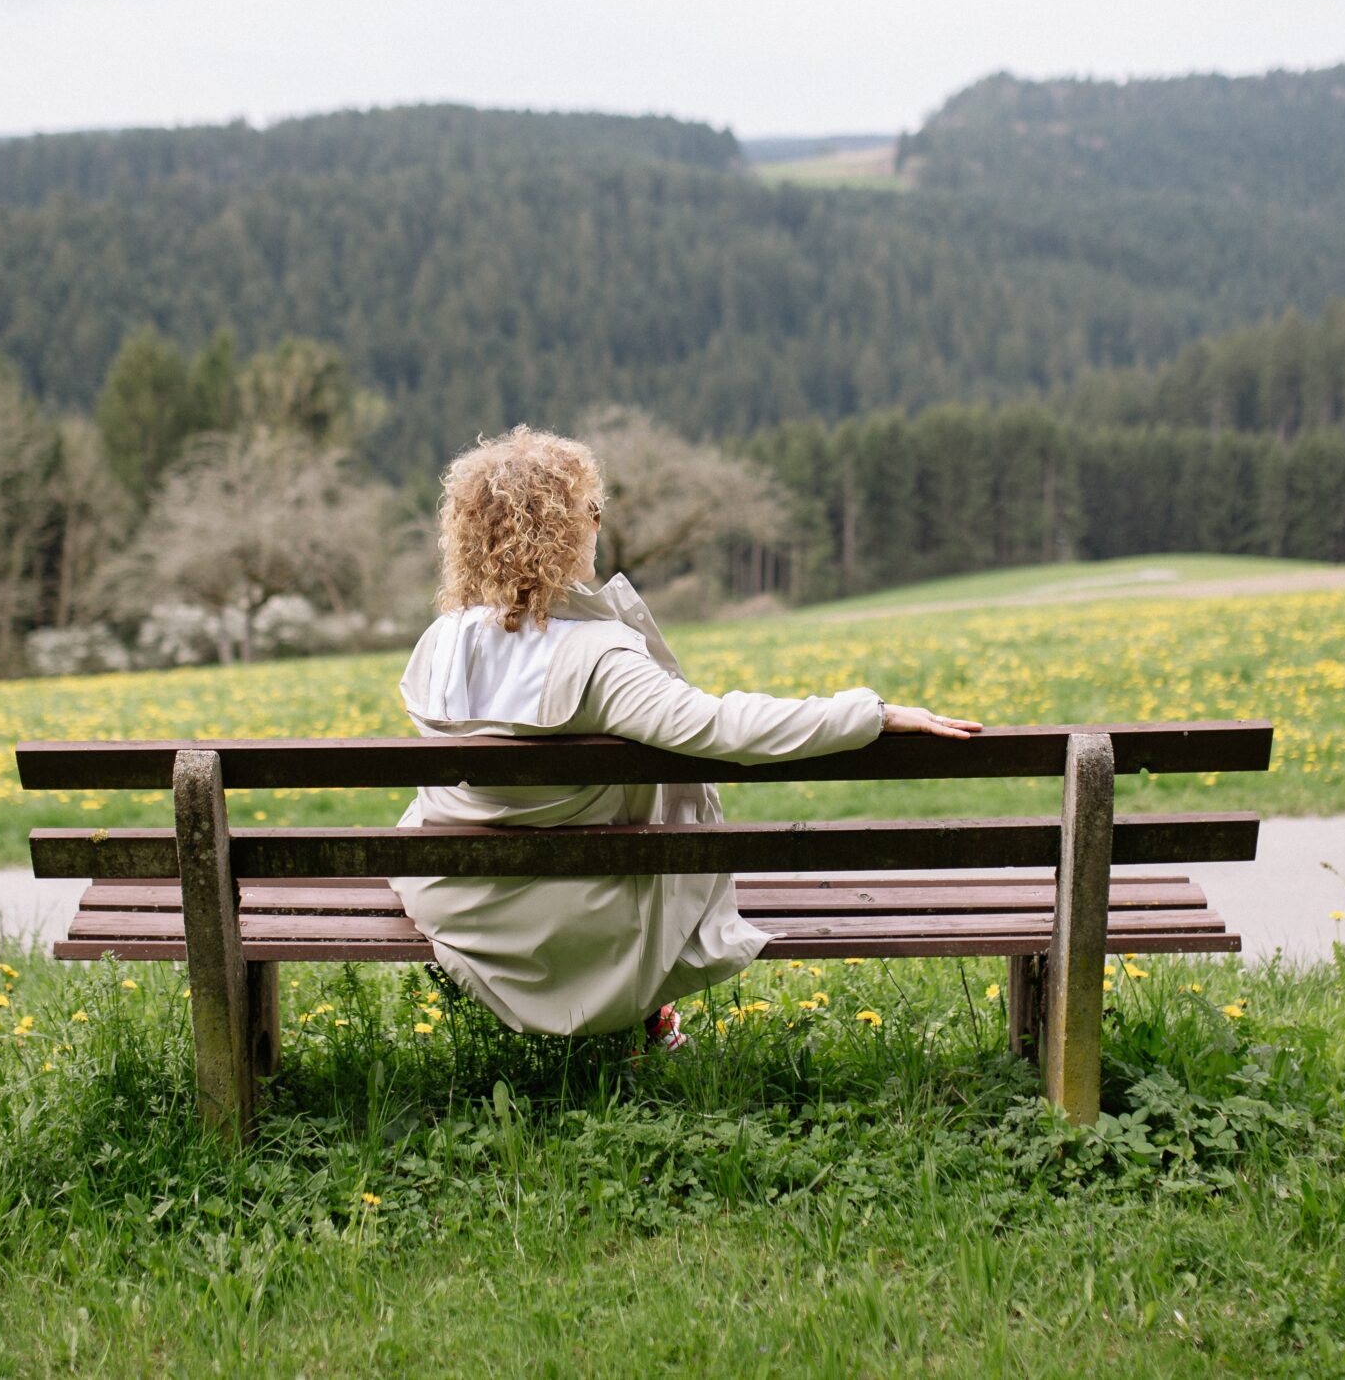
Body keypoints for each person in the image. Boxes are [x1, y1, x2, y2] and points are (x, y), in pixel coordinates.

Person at [390, 425, 981, 1049]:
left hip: (459, 895)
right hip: (574, 910)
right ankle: (646, 1020)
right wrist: (868, 713)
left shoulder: (443, 642)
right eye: (589, 511)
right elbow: (723, 727)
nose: (598, 524)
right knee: (667, 806)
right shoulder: (598, 657)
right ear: (560, 531)